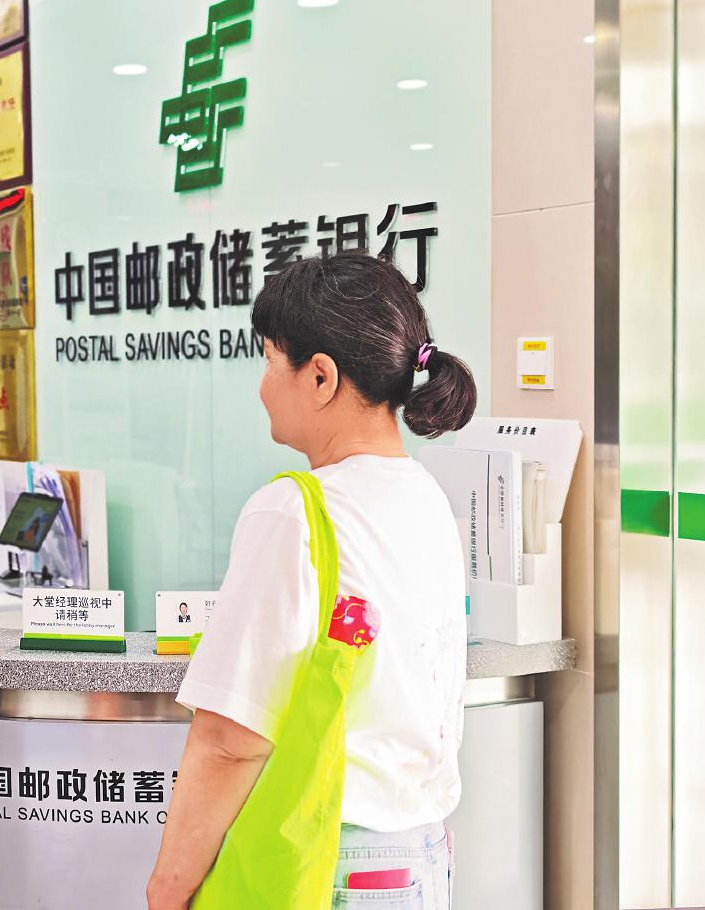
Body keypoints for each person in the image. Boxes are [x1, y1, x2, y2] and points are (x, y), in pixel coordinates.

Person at [147, 251, 474, 909]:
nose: (261, 387)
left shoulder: (295, 510)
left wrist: (169, 885)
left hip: (326, 864)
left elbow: (231, 740)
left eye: (270, 361)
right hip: (420, 858)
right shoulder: (426, 497)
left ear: (320, 376)